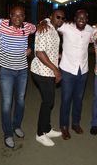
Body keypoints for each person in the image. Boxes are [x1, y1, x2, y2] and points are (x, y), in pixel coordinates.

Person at [0, 5, 36, 148]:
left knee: (21, 101)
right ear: (10, 15)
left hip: (22, 71)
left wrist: (31, 48)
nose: (18, 18)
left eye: (21, 15)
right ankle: (8, 133)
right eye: (15, 15)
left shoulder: (28, 27)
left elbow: (40, 28)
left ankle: (16, 125)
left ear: (24, 17)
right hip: (6, 71)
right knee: (6, 103)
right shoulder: (1, 23)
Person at [30, 10, 66, 146]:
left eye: (62, 18)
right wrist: (56, 70)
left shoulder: (53, 29)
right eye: (58, 17)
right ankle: (40, 134)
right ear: (51, 16)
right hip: (42, 71)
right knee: (47, 102)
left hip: (48, 71)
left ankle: (47, 128)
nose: (60, 19)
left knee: (49, 101)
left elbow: (50, 51)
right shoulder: (44, 28)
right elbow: (39, 52)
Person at [58, 9, 94, 140]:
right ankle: (64, 127)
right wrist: (44, 22)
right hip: (67, 70)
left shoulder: (90, 29)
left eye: (84, 18)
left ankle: (75, 124)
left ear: (87, 19)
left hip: (82, 71)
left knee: (78, 100)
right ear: (74, 18)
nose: (81, 19)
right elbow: (53, 22)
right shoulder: (66, 27)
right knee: (66, 100)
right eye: (79, 17)